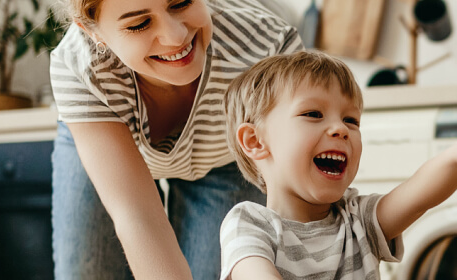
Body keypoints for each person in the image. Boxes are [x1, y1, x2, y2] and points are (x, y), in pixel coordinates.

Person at [46, 0, 301, 278]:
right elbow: (137, 217)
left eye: (181, 3)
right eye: (139, 24)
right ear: (93, 32)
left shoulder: (268, 46)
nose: (176, 36)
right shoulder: (79, 67)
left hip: (227, 158)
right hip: (108, 147)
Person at [215, 52, 457, 279]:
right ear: (254, 141)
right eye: (314, 113)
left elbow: (418, 196)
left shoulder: (357, 221)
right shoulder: (248, 225)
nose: (340, 129)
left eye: (351, 120)